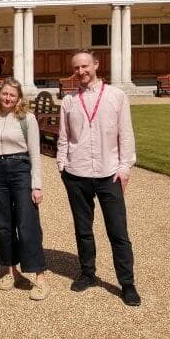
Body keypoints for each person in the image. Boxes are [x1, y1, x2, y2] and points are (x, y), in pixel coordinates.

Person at [57, 49, 141, 306]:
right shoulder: (69, 101)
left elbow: (125, 134)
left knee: (118, 232)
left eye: (84, 66)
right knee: (83, 229)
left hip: (108, 173)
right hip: (77, 172)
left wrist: (125, 166)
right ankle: (88, 273)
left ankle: (127, 283)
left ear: (95, 65)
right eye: (76, 68)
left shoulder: (116, 96)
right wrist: (62, 164)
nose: (81, 72)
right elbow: (64, 137)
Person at [0, 77, 49, 301]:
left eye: (13, 95)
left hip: (20, 169)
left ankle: (40, 277)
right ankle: (10, 271)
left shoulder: (27, 119)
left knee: (27, 223)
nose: (8, 98)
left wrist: (36, 185)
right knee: (3, 225)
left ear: (19, 98)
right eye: (5, 94)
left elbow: (35, 154)